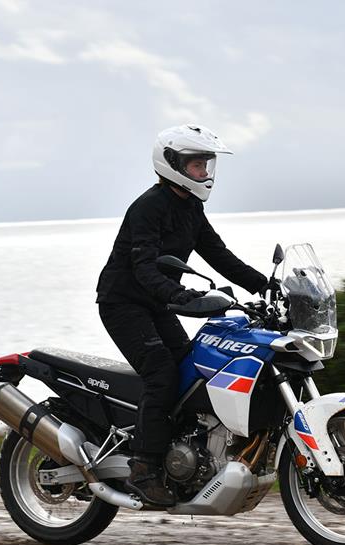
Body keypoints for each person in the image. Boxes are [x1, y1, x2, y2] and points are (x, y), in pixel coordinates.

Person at [96, 124, 267, 506]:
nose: (205, 172)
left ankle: (183, 451)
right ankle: (143, 466)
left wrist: (265, 286)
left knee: (190, 371)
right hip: (123, 303)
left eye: (207, 165)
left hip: (157, 304)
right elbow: (143, 266)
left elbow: (219, 255)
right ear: (172, 164)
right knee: (161, 372)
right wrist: (182, 296)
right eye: (197, 165)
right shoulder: (148, 207)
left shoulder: (190, 208)